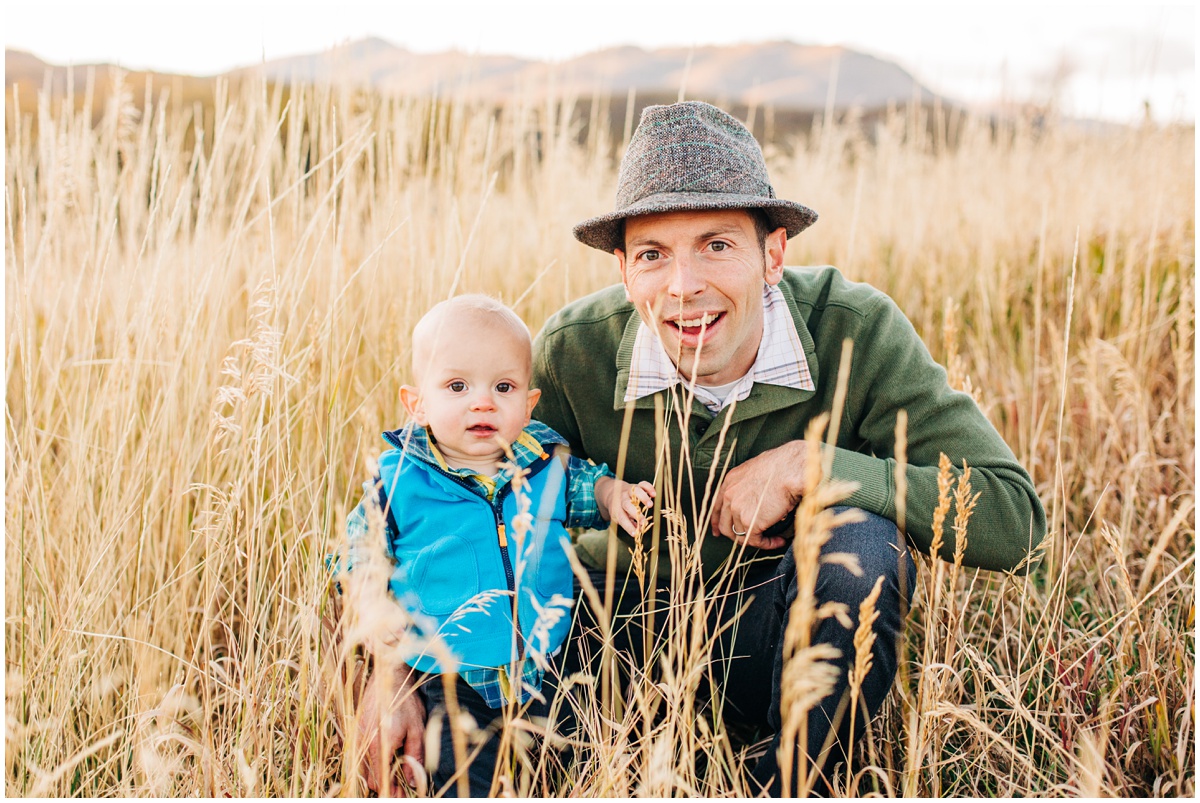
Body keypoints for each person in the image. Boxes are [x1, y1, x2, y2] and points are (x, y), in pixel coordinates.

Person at [530, 101, 1047, 794]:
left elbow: (1015, 519)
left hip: (773, 639)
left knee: (863, 542)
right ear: (624, 270)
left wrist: (814, 466)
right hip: (611, 658)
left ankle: (796, 782)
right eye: (654, 254)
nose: (684, 286)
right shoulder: (571, 353)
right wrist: (381, 665)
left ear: (773, 253)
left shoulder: (852, 330)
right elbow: (456, 498)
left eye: (717, 244)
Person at [341, 294, 654, 796]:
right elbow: (358, 549)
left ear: (528, 405)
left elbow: (584, 487)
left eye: (503, 387)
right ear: (416, 404)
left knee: (574, 765)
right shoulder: (398, 480)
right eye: (457, 386)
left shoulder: (540, 463)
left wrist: (613, 493)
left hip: (551, 661)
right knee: (467, 778)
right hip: (449, 675)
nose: (482, 402)